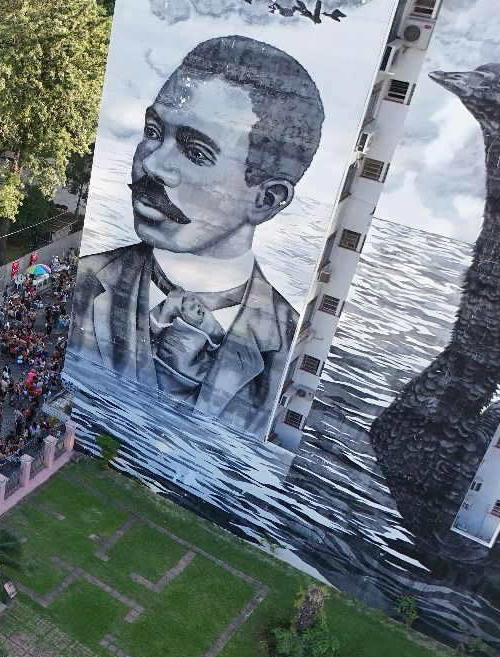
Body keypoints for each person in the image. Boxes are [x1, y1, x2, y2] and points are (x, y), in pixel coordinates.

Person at [67, 35, 323, 437]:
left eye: (195, 152)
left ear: (267, 199)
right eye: (153, 131)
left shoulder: (290, 345)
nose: (152, 163)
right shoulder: (84, 282)